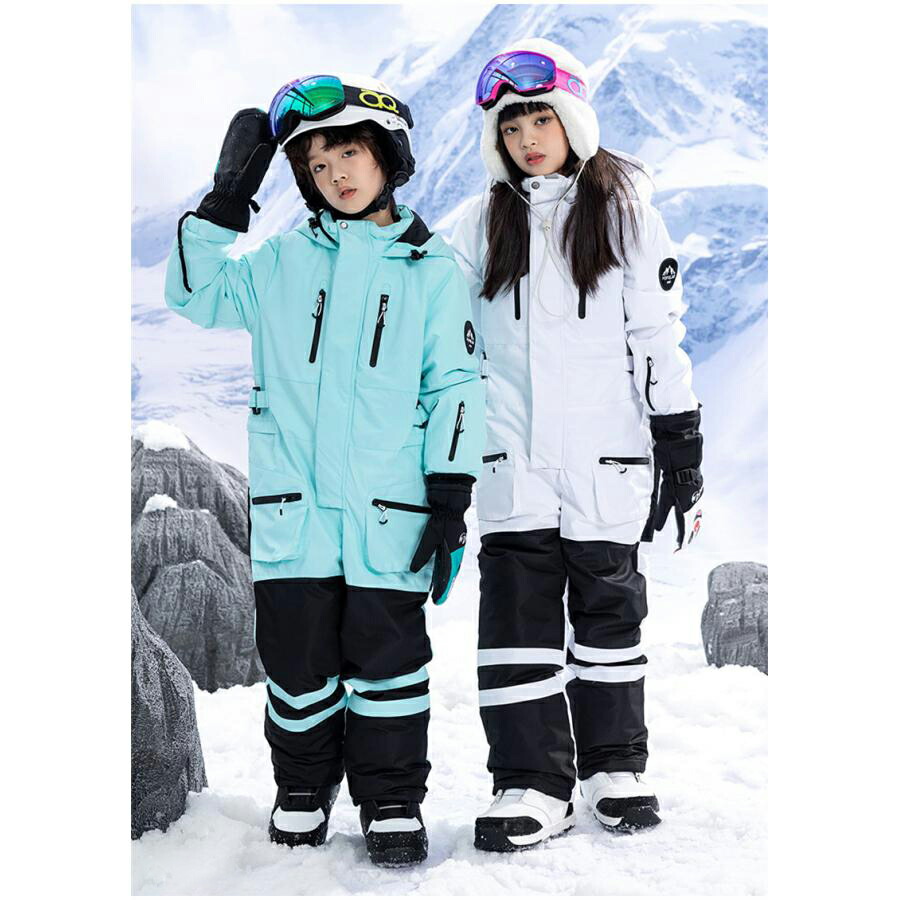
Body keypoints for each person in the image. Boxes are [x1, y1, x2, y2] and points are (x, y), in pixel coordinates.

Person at [165, 73, 485, 867]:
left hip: (389, 512)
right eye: (316, 164)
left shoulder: (431, 270)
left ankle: (391, 802)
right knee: (298, 667)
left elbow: (455, 387)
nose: (335, 173)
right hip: (296, 514)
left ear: (387, 157)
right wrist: (224, 204)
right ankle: (303, 790)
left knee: (389, 669)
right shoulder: (279, 262)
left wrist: (450, 497)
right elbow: (195, 293)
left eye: (349, 153)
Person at [449, 38, 704, 852]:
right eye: (511, 124)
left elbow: (658, 340)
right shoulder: (477, 225)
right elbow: (442, 336)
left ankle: (613, 770)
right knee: (515, 624)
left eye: (540, 119)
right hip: (513, 462)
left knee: (608, 619)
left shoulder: (626, 216)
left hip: (605, 458)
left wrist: (681, 444)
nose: (527, 137)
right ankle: (531, 783)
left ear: (572, 120)